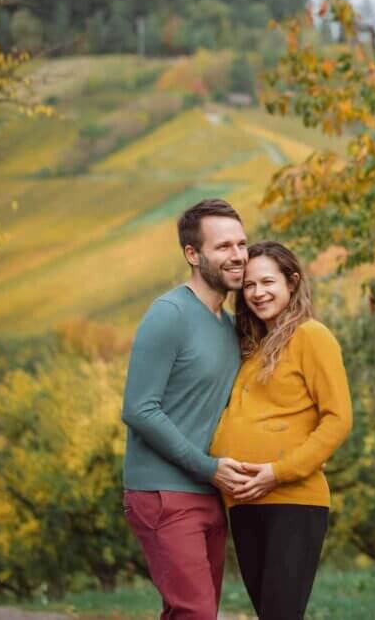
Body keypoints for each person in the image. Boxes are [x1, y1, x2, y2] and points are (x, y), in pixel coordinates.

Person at [121, 198, 251, 620]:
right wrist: (206, 466)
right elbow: (140, 409)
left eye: (241, 244)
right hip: (163, 491)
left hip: (210, 491)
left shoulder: (228, 326)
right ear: (192, 255)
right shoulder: (169, 314)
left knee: (196, 612)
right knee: (194, 612)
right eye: (223, 247)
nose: (237, 256)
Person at [210, 240, 353, 619]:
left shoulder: (311, 336)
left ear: (292, 282)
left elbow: (338, 418)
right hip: (243, 503)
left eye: (268, 282)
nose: (258, 293)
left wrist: (278, 471)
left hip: (292, 501)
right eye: (250, 286)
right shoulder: (252, 349)